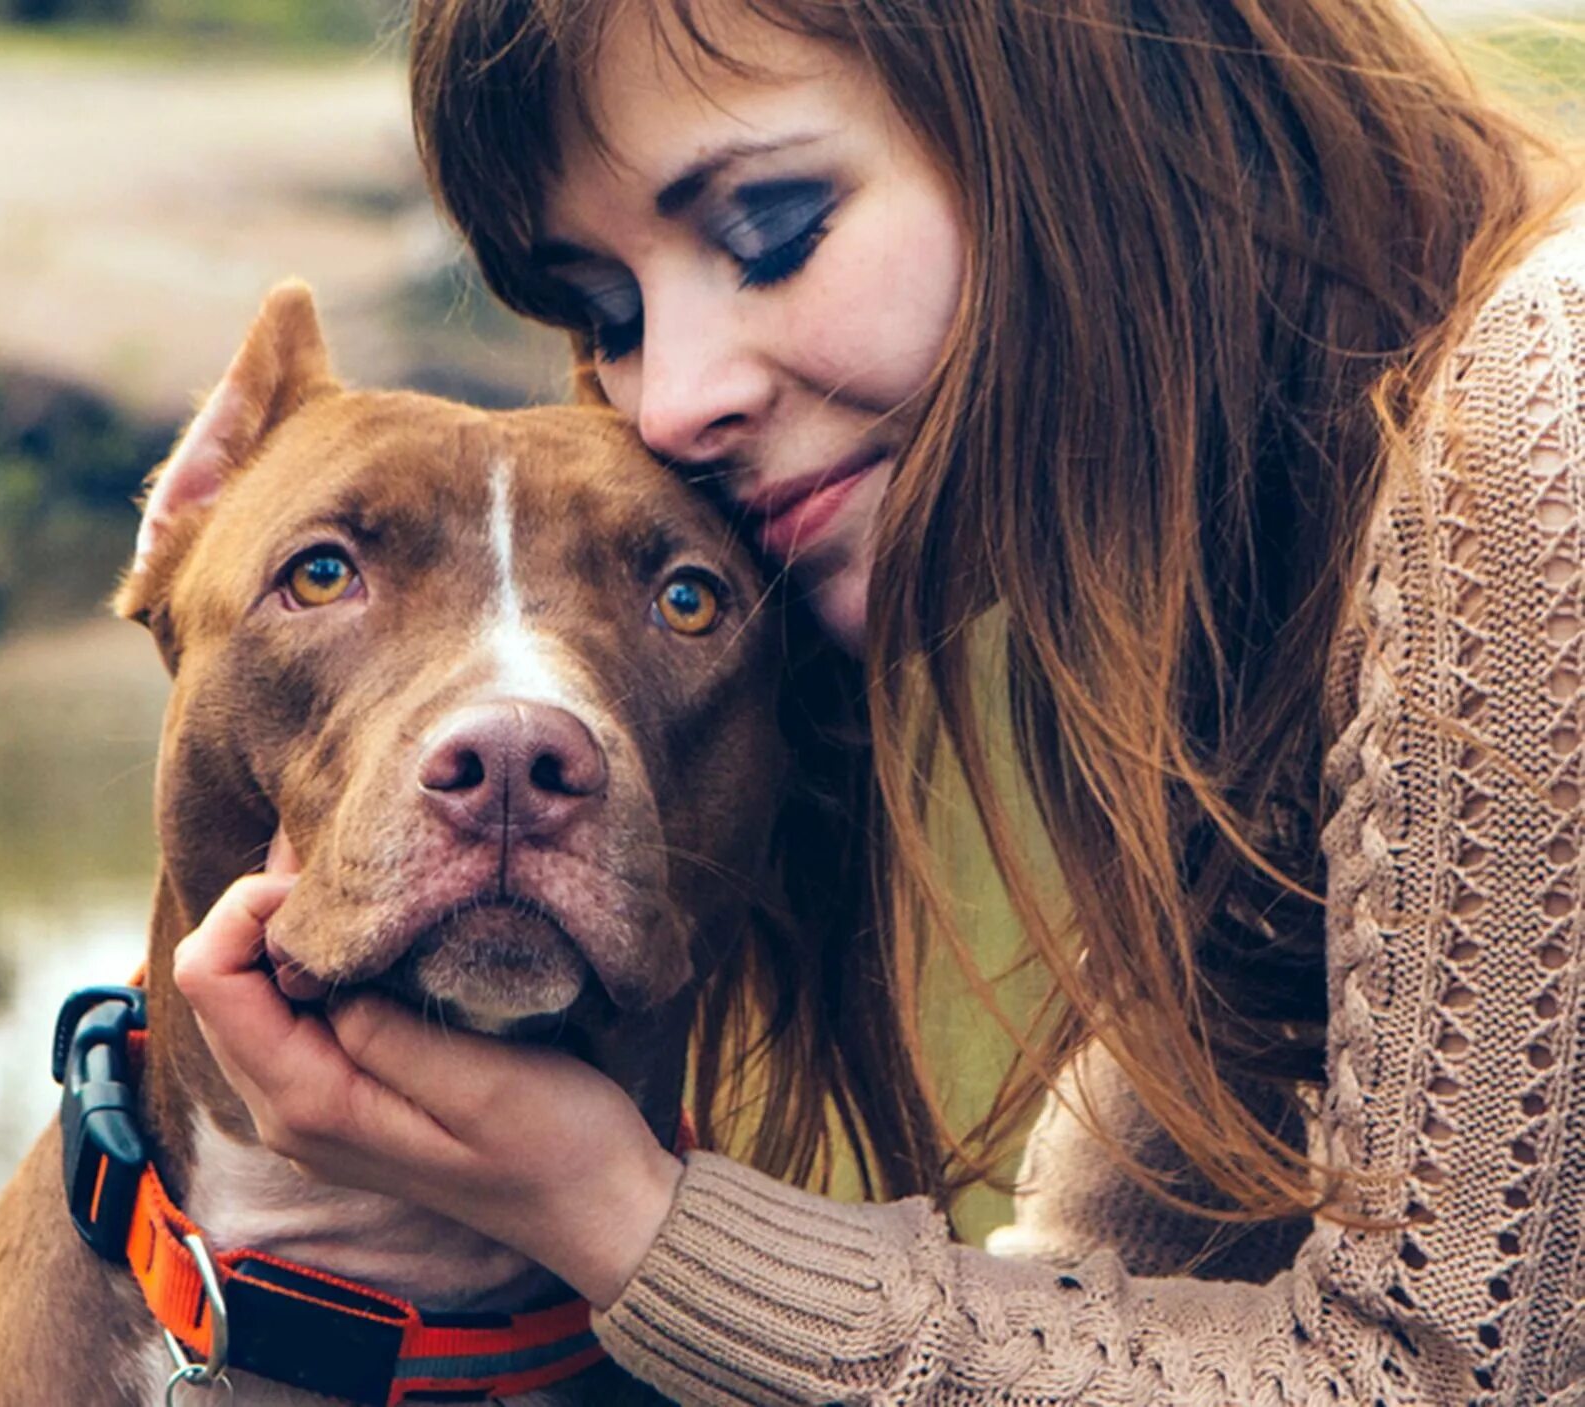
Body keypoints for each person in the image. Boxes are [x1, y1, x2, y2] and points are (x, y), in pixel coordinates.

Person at [171, 0, 1585, 1401]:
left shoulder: (1542, 426)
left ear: (1069, 101)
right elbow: (1104, 1289)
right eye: (608, 313)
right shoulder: (1243, 575)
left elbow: (1437, 1374)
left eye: (774, 228)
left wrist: (618, 1217)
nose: (670, 404)